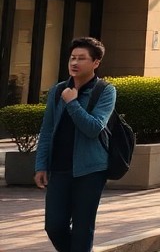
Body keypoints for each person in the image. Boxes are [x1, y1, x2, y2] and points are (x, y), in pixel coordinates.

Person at [34, 37, 115, 252]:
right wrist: (41, 164)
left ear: (96, 62)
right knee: (54, 226)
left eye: (81, 58)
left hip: (90, 171)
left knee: (82, 229)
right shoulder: (58, 90)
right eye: (72, 58)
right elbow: (47, 129)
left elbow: (94, 128)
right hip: (59, 169)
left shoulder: (105, 91)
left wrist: (72, 102)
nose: (74, 63)